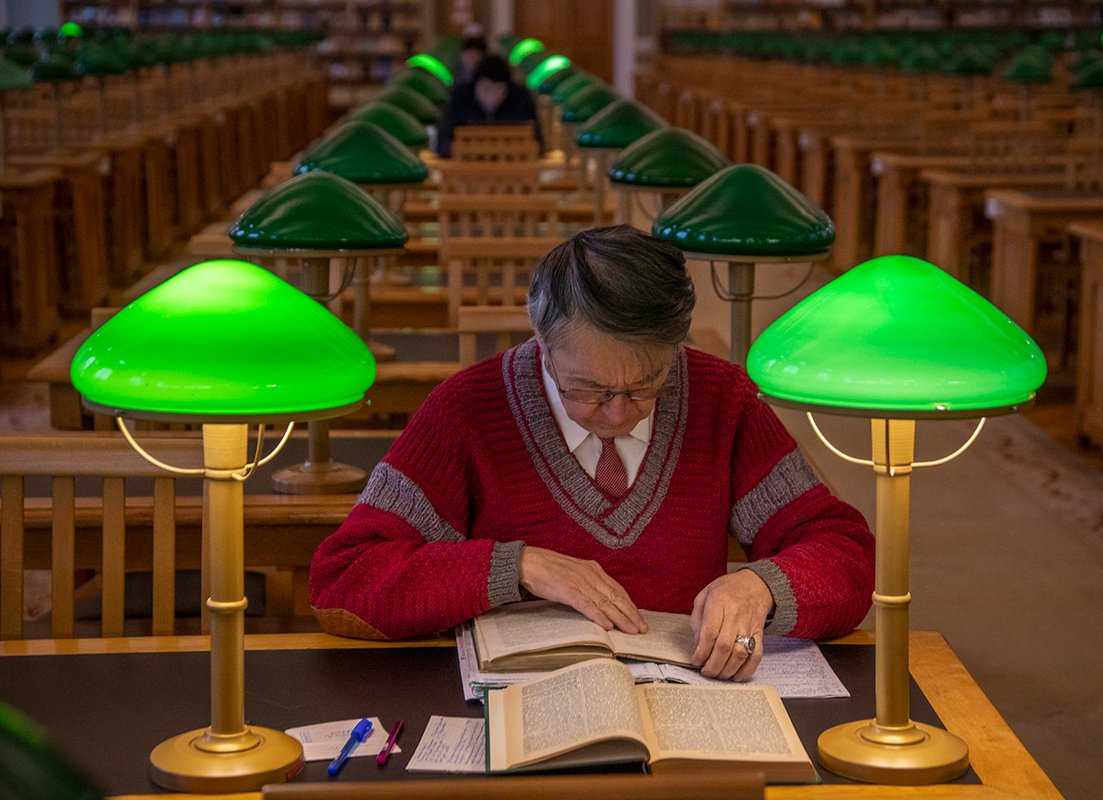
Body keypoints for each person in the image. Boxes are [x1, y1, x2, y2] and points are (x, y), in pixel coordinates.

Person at [309, 225, 874, 681]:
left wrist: (760, 587)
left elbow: (844, 551)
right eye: (588, 388)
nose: (618, 412)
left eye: (646, 383)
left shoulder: (720, 398)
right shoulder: (466, 411)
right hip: (522, 704)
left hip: (688, 699)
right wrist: (517, 566)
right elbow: (345, 578)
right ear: (540, 336)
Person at [435, 53, 543, 158]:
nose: (492, 96)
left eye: (499, 89)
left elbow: (539, 144)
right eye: (486, 89)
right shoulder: (460, 98)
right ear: (475, 86)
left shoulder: (521, 99)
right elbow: (442, 144)